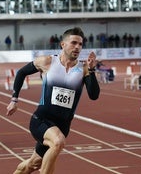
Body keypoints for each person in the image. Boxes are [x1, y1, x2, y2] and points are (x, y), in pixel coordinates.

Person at [6, 27, 100, 174]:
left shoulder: (84, 68)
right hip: (41, 120)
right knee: (58, 142)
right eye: (74, 43)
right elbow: (21, 72)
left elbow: (94, 96)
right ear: (63, 44)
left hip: (63, 124)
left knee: (32, 165)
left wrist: (93, 71)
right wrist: (14, 99)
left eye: (80, 44)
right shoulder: (47, 62)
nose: (77, 47)